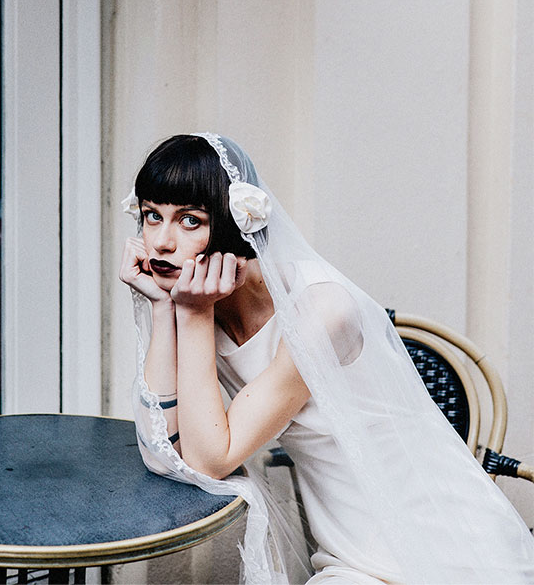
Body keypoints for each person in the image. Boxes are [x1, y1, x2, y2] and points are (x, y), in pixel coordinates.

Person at [120, 133, 534, 585]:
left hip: (448, 546)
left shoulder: (321, 313)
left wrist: (191, 315)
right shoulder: (198, 303)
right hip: (352, 557)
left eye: (189, 220)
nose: (160, 241)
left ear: (231, 224)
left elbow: (211, 459)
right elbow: (164, 455)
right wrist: (165, 311)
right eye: (151, 216)